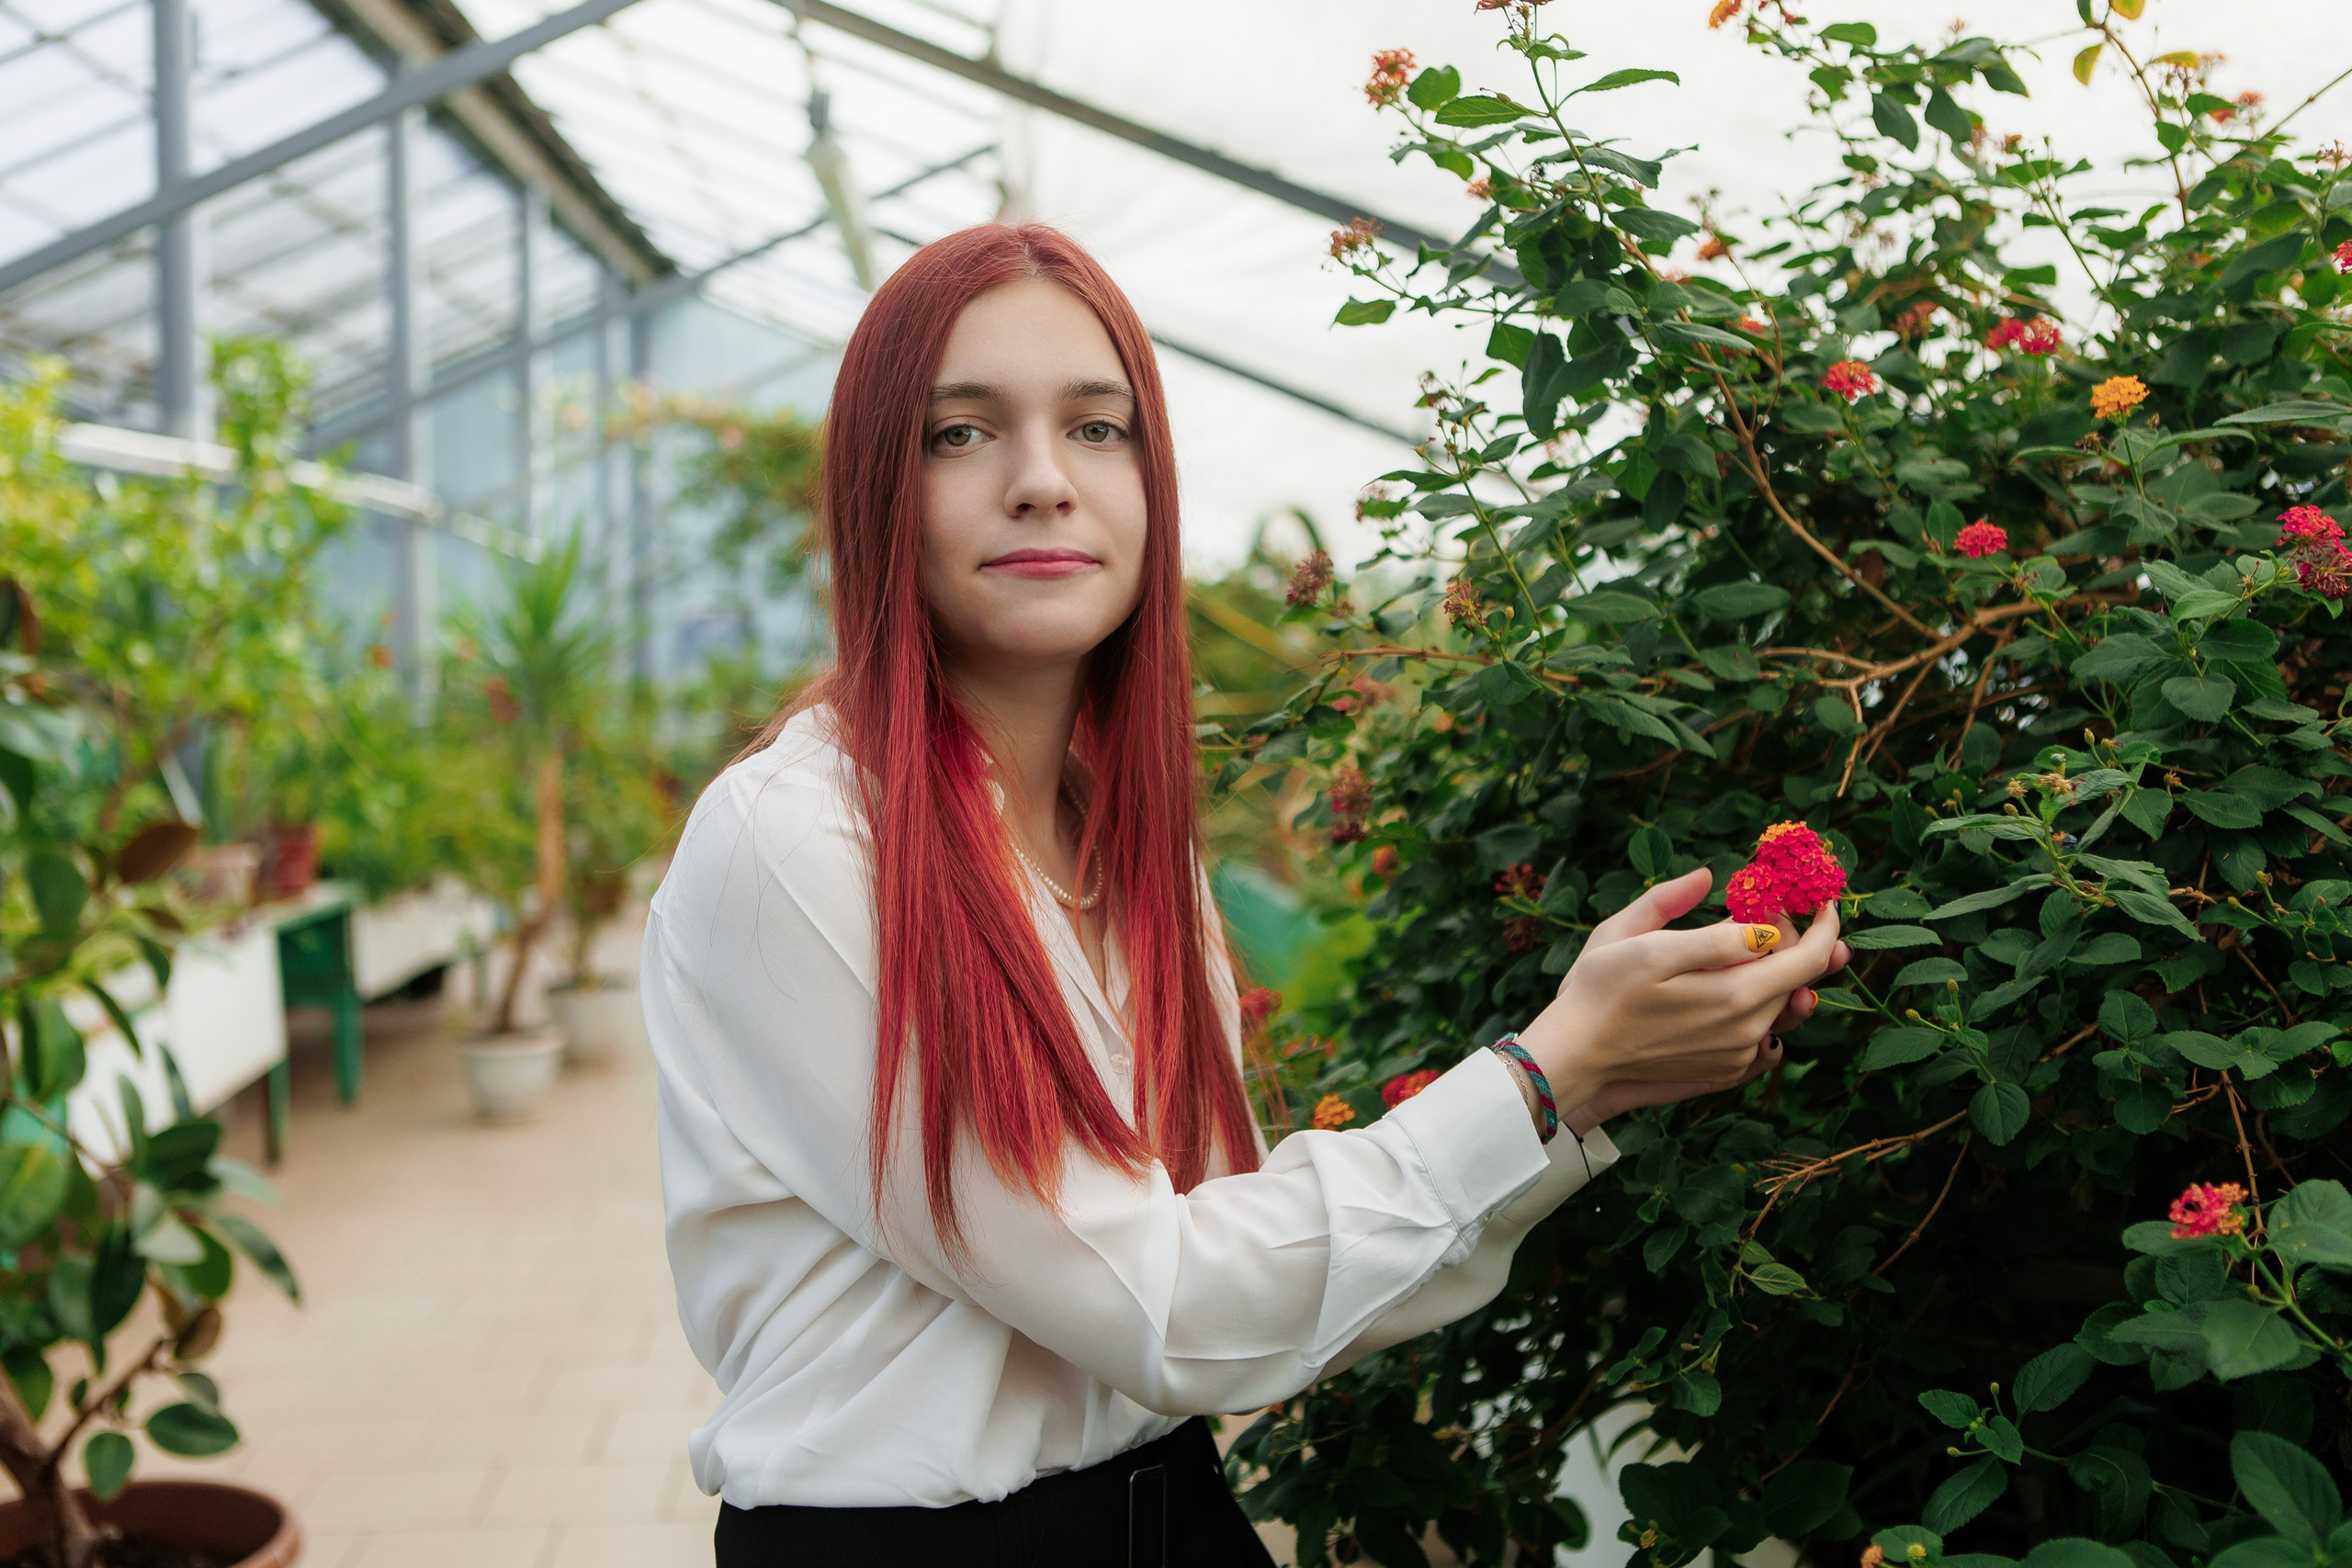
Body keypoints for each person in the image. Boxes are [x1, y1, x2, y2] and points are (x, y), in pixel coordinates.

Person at [643, 223, 1849, 1567]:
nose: (1043, 481)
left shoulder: (1114, 838)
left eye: (1097, 429)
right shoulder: (805, 840)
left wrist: (1610, 1071)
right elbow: (1168, 1308)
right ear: (877, 485)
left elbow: (1225, 1257)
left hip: (1167, 1511)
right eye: (959, 435)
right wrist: (1548, 1075)